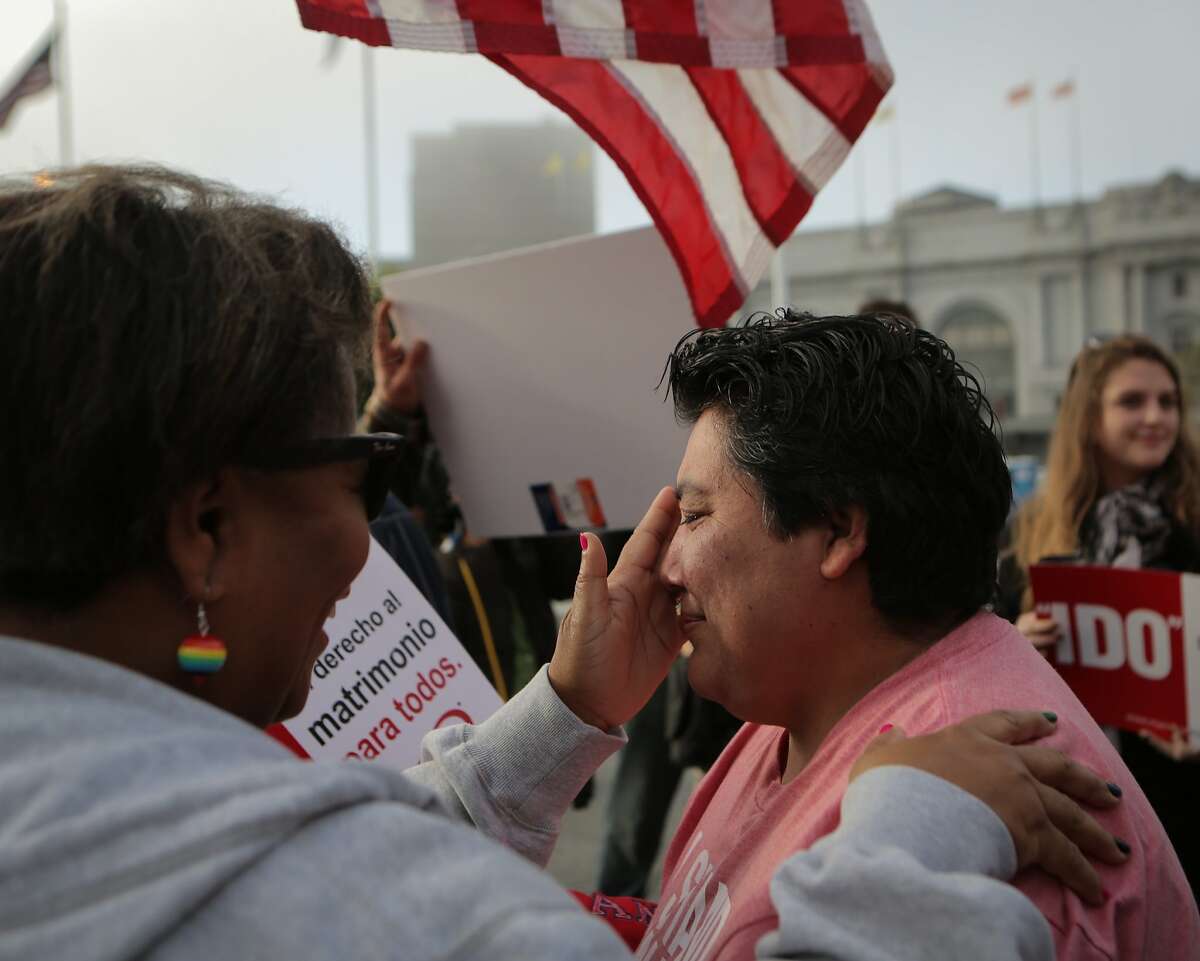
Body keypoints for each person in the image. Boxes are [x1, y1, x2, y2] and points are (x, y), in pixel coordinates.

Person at [0, 166, 1128, 961]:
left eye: (691, 509)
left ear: (836, 533)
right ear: (202, 527)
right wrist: (918, 840)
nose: (366, 535)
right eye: (362, 465)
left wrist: (568, 711)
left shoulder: (1039, 819)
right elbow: (338, 880)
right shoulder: (953, 807)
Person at [612, 312, 1200, 961]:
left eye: (694, 515)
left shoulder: (1004, 829)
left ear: (838, 531)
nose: (664, 567)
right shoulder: (796, 702)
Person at [998, 333, 1200, 902]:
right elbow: (985, 656)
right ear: (1089, 416)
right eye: (1132, 401)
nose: (1156, 417)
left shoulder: (1193, 522)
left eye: (1168, 402)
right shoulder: (1033, 531)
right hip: (1079, 800)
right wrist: (1017, 643)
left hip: (1183, 797)